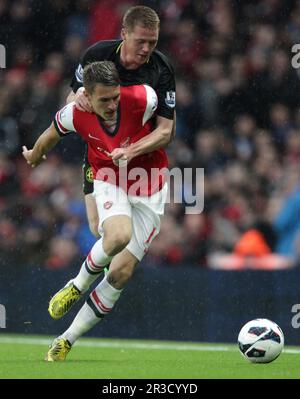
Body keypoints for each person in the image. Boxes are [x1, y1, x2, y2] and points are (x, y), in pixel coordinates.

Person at [22, 60, 171, 361]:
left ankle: (66, 339)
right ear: (86, 96)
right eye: (104, 99)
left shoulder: (144, 98)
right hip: (107, 176)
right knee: (115, 235)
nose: (113, 104)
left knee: (120, 272)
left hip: (150, 186)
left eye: (115, 96)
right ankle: (76, 286)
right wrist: (34, 155)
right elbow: (51, 134)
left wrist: (132, 149)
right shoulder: (75, 113)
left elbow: (166, 131)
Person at [66, 5, 176, 237]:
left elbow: (166, 131)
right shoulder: (97, 55)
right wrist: (77, 98)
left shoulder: (161, 69)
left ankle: (101, 273)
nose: (147, 49)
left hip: (140, 162)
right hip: (100, 156)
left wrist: (130, 150)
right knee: (98, 230)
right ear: (124, 33)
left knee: (123, 239)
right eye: (141, 41)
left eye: (153, 42)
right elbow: (71, 100)